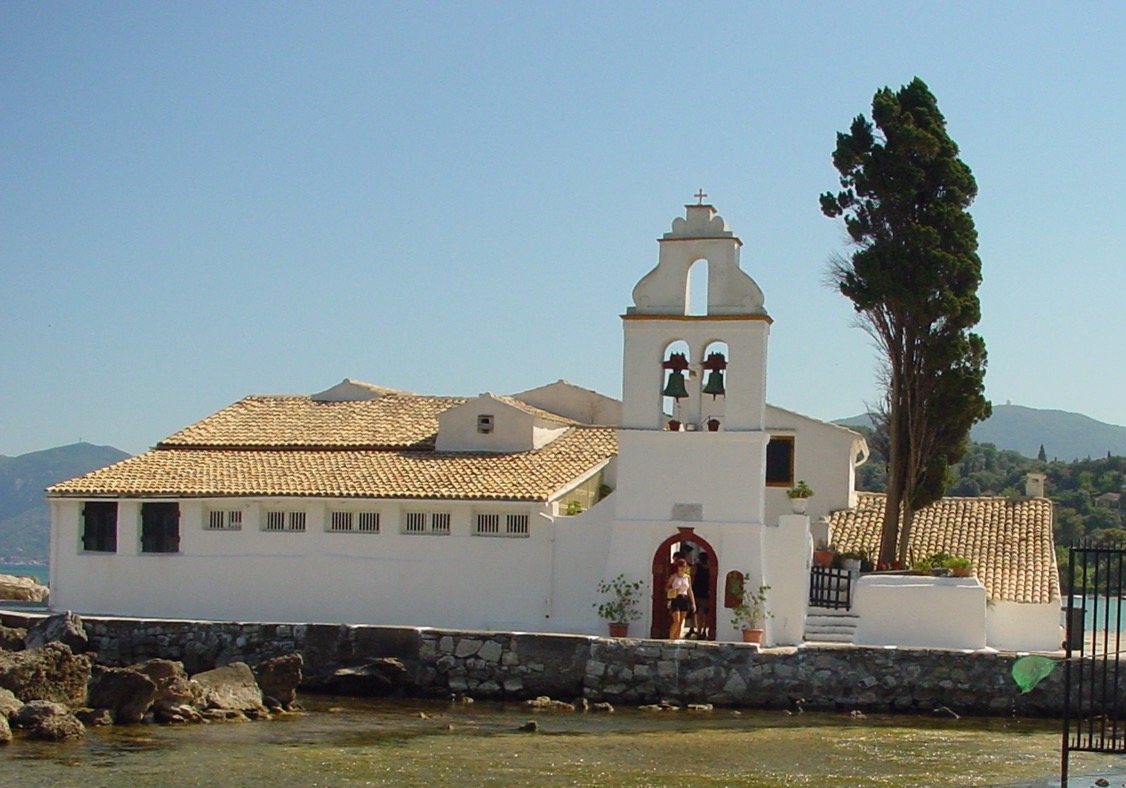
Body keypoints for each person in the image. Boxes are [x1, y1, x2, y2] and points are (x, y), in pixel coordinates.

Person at [667, 558, 695, 639]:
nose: (682, 568)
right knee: (677, 620)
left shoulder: (687, 577)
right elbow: (667, 587)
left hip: (684, 598)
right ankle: (671, 637)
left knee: (681, 621)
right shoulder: (673, 576)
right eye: (680, 566)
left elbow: (690, 590)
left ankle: (677, 637)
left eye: (684, 566)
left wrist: (693, 603)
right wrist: (672, 590)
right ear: (678, 567)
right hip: (676, 598)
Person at [689, 553, 711, 639]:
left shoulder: (696, 567)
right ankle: (704, 630)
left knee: (698, 612)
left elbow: (692, 578)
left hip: (697, 591)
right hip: (706, 591)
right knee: (705, 612)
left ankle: (699, 630)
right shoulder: (709, 567)